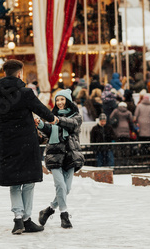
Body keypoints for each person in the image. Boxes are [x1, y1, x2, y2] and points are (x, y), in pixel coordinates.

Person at [0, 59, 55, 235]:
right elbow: (40, 109)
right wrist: (53, 119)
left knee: (14, 182)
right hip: (26, 142)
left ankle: (18, 219)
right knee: (28, 181)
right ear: (20, 73)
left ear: (5, 73)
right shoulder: (26, 92)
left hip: (7, 142)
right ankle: (27, 219)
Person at [36, 89, 84, 229]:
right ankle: (64, 215)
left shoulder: (76, 117)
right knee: (60, 186)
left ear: (67, 100)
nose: (60, 102)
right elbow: (49, 131)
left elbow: (71, 124)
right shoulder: (53, 116)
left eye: (62, 99)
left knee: (66, 189)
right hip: (54, 154)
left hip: (70, 155)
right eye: (57, 100)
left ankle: (48, 210)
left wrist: (56, 120)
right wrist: (41, 125)